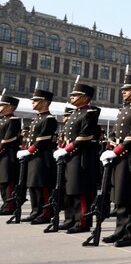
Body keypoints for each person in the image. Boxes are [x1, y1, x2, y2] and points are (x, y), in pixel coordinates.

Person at [99, 73, 131, 247]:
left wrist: (117, 149)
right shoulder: (123, 110)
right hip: (120, 160)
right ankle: (120, 230)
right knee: (121, 197)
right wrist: (111, 147)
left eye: (128, 89)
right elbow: (114, 133)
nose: (123, 92)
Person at [53, 81, 100, 234]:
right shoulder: (75, 113)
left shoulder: (90, 113)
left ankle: (83, 222)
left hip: (81, 157)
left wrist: (67, 149)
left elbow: (84, 136)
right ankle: (70, 219)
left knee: (81, 191)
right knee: (69, 190)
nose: (71, 97)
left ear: (85, 98)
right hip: (70, 157)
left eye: (75, 95)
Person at [15, 88, 58, 224]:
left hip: (42, 157)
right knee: (32, 185)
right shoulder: (38, 118)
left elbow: (42, 140)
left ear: (44, 102)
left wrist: (29, 150)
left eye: (35, 101)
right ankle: (35, 211)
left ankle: (45, 213)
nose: (33, 103)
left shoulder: (49, 119)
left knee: (42, 186)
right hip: (34, 157)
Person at [0, 93, 22, 216]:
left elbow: (8, 139)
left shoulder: (13, 120)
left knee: (8, 182)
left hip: (8, 155)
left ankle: (9, 206)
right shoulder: (2, 119)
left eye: (2, 105)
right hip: (2, 155)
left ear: (9, 107)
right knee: (2, 182)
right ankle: (5, 204)